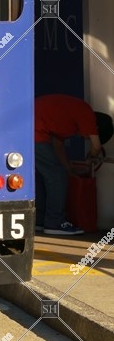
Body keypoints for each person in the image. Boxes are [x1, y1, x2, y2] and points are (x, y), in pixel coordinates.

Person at [34, 94, 113, 235]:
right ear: (95, 128)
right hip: (35, 130)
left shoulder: (70, 120)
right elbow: (96, 146)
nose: (86, 138)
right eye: (89, 136)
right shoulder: (87, 113)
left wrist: (68, 169)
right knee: (56, 176)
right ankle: (55, 223)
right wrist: (91, 159)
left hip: (30, 128)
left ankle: (40, 221)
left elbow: (58, 146)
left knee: (45, 175)